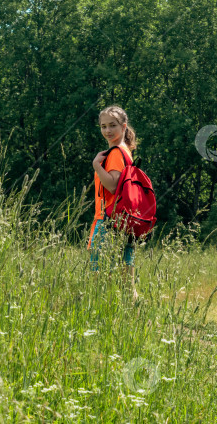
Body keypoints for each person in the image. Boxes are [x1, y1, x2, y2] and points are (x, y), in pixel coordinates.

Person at [88, 105, 139, 301]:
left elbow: (112, 185)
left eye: (112, 125)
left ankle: (107, 320)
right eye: (103, 126)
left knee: (100, 279)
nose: (107, 131)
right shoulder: (126, 152)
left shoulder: (116, 153)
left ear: (123, 126)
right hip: (125, 221)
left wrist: (96, 166)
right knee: (127, 281)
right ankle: (137, 320)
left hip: (109, 221)